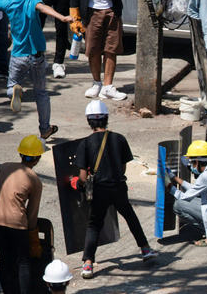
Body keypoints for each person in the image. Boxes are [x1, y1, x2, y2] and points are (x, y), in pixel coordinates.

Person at [70, 100, 158, 279]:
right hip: (118, 187)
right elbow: (123, 167)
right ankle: (145, 249)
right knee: (130, 217)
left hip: (100, 191)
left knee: (94, 224)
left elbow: (83, 177)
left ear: (89, 121)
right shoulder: (119, 138)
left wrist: (76, 184)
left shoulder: (85, 144)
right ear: (106, 119)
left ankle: (88, 264)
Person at [0, 0, 69, 139]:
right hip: (36, 55)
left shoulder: (8, 4)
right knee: (41, 93)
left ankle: (14, 91)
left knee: (11, 86)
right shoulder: (33, 0)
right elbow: (44, 9)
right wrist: (62, 17)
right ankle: (45, 129)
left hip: (18, 55)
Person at [0, 135, 45, 294]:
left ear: (20, 154)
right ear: (38, 158)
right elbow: (32, 213)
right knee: (23, 262)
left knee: (5, 261)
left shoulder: (4, 167)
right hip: (17, 225)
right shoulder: (34, 180)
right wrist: (32, 235)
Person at [166, 140, 207, 246]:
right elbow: (194, 189)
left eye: (192, 163)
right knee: (194, 201)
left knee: (178, 205)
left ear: (197, 161)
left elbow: (183, 197)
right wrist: (173, 177)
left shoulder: (206, 176)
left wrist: (169, 186)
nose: (191, 166)